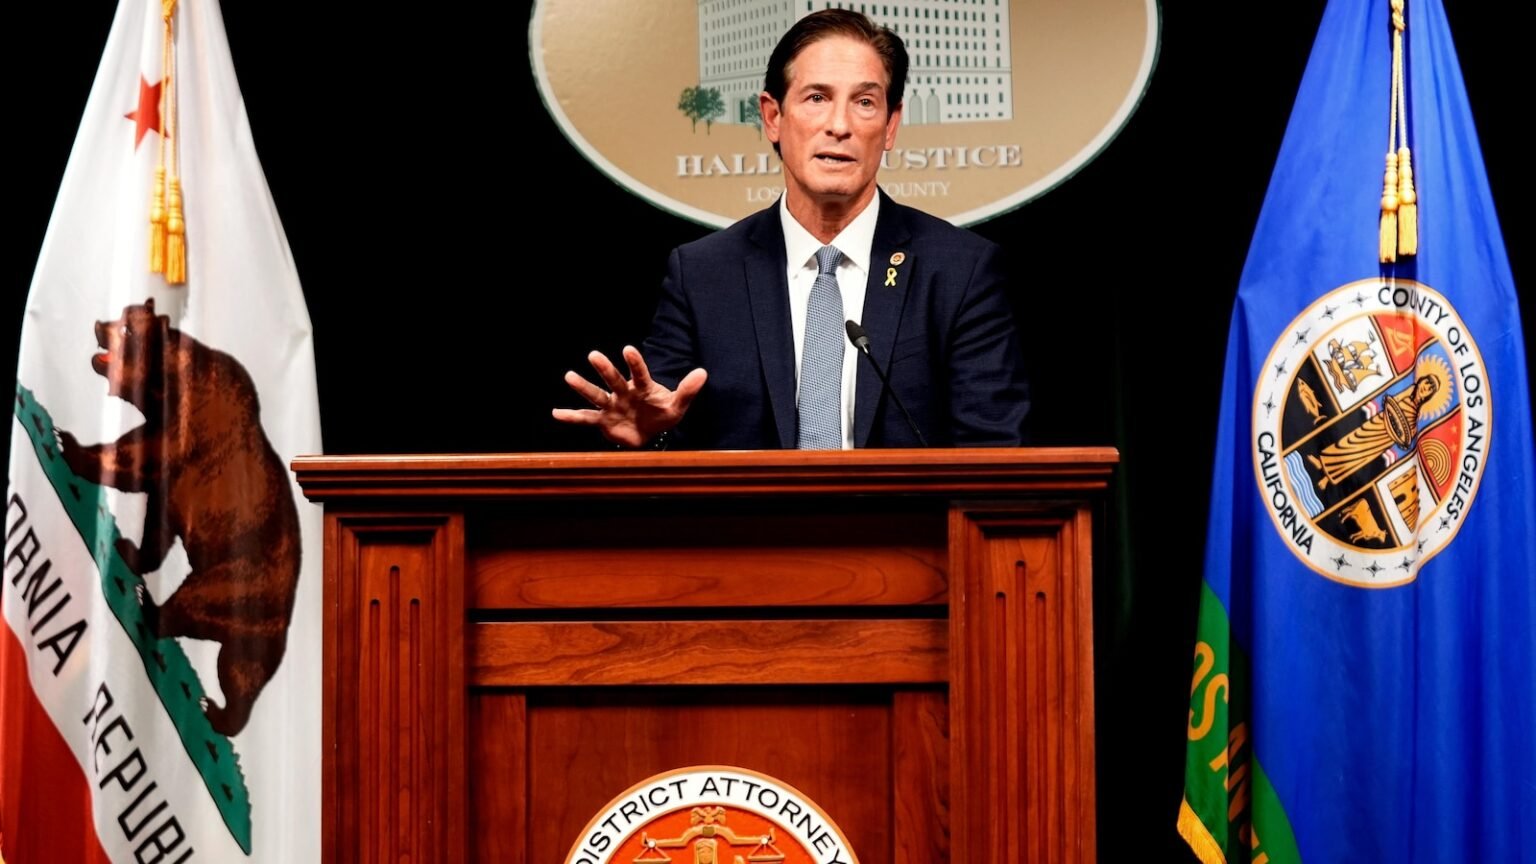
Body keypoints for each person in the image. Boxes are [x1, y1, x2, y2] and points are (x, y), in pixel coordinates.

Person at [553, 9, 1029, 449]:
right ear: (773, 117)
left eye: (865, 102)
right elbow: (663, 425)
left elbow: (993, 452)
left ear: (890, 126)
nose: (839, 125)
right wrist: (649, 435)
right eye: (817, 98)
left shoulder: (960, 271)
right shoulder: (702, 275)